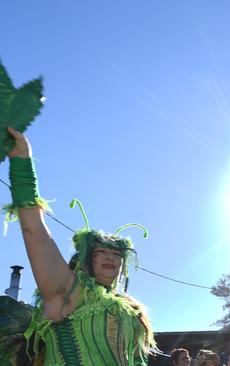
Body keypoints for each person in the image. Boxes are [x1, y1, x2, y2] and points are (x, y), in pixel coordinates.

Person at [4, 127, 156, 365]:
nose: (111, 258)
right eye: (101, 252)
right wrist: (22, 163)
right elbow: (35, 233)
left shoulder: (131, 310)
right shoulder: (67, 292)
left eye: (116, 254)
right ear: (86, 259)